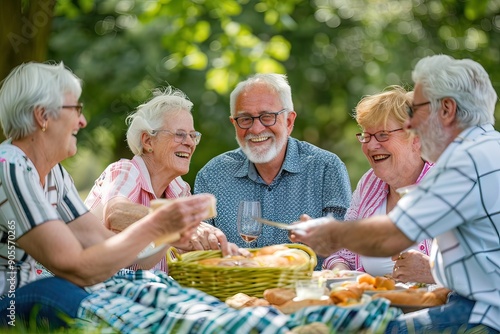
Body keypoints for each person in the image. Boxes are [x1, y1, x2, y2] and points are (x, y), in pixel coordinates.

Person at [0, 61, 399, 333]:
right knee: (155, 315)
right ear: (43, 115)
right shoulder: (11, 165)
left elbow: (104, 248)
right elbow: (80, 265)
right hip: (22, 298)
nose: (83, 120)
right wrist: (160, 224)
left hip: (80, 283)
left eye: (193, 135)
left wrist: (171, 233)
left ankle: (298, 324)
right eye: (75, 108)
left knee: (163, 294)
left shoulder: (55, 175)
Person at [291, 55, 500, 333]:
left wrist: (331, 233)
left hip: (482, 312)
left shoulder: (463, 162)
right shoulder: (484, 148)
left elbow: (394, 234)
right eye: (366, 135)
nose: (416, 124)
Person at [193, 73, 352, 267]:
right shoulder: (212, 176)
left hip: (307, 293)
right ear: (234, 124)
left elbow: (345, 251)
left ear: (289, 121)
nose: (257, 129)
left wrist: (324, 239)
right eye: (245, 119)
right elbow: (199, 251)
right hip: (233, 293)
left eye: (267, 117)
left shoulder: (326, 168)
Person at [84, 87, 241, 273]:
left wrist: (217, 248)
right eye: (180, 134)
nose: (190, 143)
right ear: (148, 141)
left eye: (192, 135)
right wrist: (177, 224)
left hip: (147, 290)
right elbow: (116, 213)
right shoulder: (125, 171)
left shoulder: (180, 189)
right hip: (99, 286)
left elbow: (183, 251)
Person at [322, 86, 435, 284]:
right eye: (366, 136)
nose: (371, 145)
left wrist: (434, 272)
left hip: (438, 309)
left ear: (416, 138)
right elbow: (343, 253)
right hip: (376, 304)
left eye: (383, 135)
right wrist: (341, 273)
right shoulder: (369, 184)